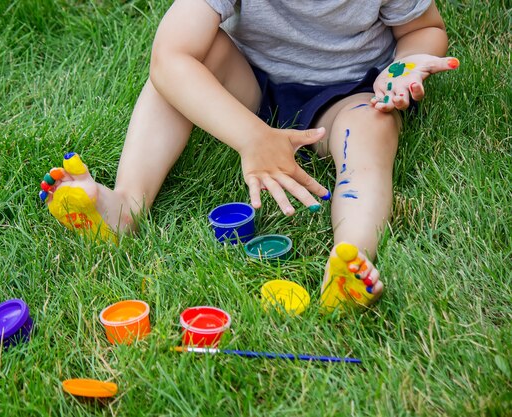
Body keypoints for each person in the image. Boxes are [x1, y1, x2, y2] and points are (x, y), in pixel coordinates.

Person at [38, 0, 458, 312]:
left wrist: (402, 67)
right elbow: (169, 58)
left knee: (374, 128)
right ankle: (125, 206)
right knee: (182, 72)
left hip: (348, 94)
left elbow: (424, 29)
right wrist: (251, 137)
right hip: (249, 84)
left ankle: (350, 258)